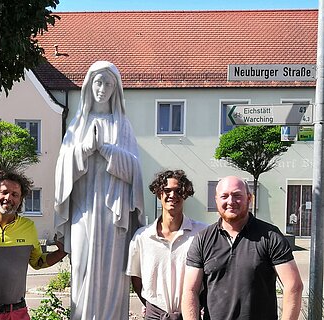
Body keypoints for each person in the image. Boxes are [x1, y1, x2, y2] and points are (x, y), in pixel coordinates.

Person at [54, 60, 145, 319]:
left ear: (115, 88)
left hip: (112, 217)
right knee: (81, 266)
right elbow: (62, 169)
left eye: (108, 83)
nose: (102, 88)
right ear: (88, 85)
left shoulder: (122, 126)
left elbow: (135, 172)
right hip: (83, 211)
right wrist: (84, 149)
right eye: (97, 82)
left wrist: (106, 150)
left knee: (113, 273)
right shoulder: (77, 125)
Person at [182, 176, 303, 320]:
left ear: (249, 198)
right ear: (216, 200)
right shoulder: (203, 239)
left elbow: (293, 286)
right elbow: (190, 290)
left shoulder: (270, 236)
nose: (230, 201)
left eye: (237, 195)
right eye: (224, 196)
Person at [0, 170, 67, 320]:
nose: (8, 198)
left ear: (20, 200)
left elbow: (38, 262)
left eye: (15, 194)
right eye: (4, 192)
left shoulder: (28, 227)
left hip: (17, 313)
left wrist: (63, 251)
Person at [127, 170, 207, 320]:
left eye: (178, 191)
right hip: (155, 316)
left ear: (185, 194)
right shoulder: (142, 237)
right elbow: (136, 279)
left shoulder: (201, 233)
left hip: (190, 315)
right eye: (167, 190)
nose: (172, 195)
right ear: (159, 194)